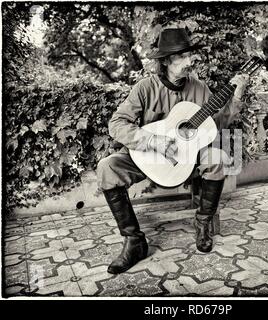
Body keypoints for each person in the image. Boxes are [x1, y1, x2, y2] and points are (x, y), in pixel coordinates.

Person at [97, 28, 249, 274]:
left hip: (188, 158)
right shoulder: (145, 88)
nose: (191, 61)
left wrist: (237, 95)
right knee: (107, 168)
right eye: (183, 56)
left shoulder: (199, 88)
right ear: (166, 61)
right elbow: (116, 123)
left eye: (190, 55)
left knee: (217, 157)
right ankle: (134, 241)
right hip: (149, 157)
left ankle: (202, 224)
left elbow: (215, 125)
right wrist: (152, 141)